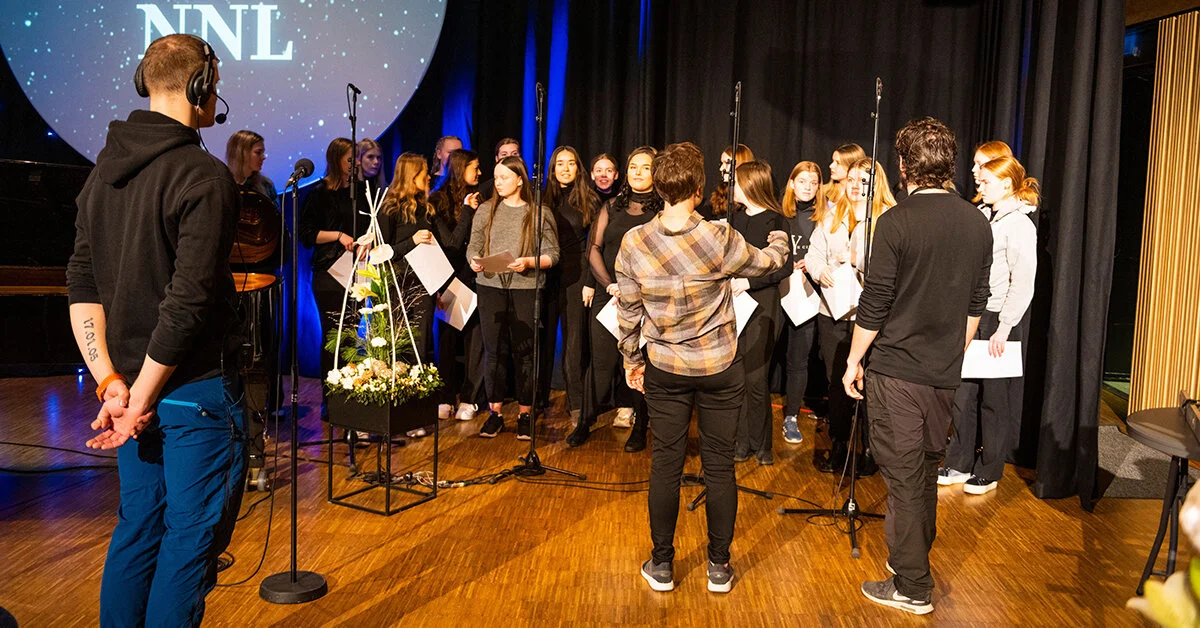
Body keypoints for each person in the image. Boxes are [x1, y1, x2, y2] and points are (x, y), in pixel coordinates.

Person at [66, 33, 244, 625]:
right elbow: (186, 305)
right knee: (190, 542)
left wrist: (112, 384)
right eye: (214, 85)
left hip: (130, 396)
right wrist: (137, 398)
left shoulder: (101, 174)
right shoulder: (206, 177)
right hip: (193, 392)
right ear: (201, 85)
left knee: (139, 527)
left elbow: (82, 284)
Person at [615, 142, 788, 594]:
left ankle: (662, 564)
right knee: (719, 466)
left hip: (665, 368)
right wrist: (779, 238)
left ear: (658, 187)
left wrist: (632, 360)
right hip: (719, 368)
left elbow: (628, 314)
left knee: (666, 465)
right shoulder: (719, 237)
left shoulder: (634, 242)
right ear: (698, 188)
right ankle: (718, 566)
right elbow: (769, 263)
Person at [844, 117, 992, 615]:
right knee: (923, 472)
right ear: (950, 165)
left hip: (898, 372)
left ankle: (912, 585)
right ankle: (910, 563)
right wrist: (954, 351)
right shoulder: (977, 222)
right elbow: (977, 301)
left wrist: (853, 359)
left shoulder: (895, 222)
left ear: (904, 166)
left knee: (907, 479)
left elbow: (875, 304)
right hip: (942, 373)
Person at [941, 155, 1038, 494]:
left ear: (1007, 184)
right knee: (963, 393)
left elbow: (1022, 280)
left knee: (994, 399)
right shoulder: (983, 215)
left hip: (999, 318)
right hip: (973, 313)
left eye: (986, 181)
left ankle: (990, 469)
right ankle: (959, 461)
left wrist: (1005, 327)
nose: (979, 185)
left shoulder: (1020, 224)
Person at [804, 156, 895, 475]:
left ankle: (871, 449)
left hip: (872, 316)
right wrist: (820, 270)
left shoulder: (888, 218)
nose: (856, 186)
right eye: (852, 179)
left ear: (876, 185)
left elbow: (896, 266)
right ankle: (839, 444)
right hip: (834, 312)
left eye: (864, 181)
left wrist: (857, 259)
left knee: (871, 383)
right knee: (836, 381)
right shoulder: (832, 215)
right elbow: (813, 254)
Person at [566, 146, 659, 452]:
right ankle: (585, 422)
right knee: (601, 363)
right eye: (633, 167)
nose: (638, 172)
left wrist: (635, 289)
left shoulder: (662, 210)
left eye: (645, 167)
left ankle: (640, 427)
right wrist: (609, 285)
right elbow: (594, 248)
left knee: (639, 365)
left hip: (646, 300)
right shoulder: (611, 206)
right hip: (611, 296)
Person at [467, 156, 559, 439]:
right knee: (494, 350)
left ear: (520, 180)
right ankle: (494, 413)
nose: (498, 182)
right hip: (490, 286)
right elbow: (474, 246)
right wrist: (474, 261)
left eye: (504, 177)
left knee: (525, 352)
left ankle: (525, 413)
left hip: (525, 287)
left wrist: (529, 262)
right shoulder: (486, 210)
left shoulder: (539, 212)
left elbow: (553, 254)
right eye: (496, 177)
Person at [298, 137, 371, 417]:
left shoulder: (362, 190)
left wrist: (367, 242)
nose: (355, 164)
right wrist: (339, 236)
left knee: (352, 334)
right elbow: (306, 234)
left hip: (358, 269)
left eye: (356, 159)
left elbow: (372, 226)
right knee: (334, 336)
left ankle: (350, 394)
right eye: (350, 159)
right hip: (329, 271)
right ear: (336, 159)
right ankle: (331, 398)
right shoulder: (319, 193)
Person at [728, 160, 792, 466]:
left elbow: (784, 267)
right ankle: (741, 442)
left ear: (751, 184)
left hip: (762, 304)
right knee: (738, 376)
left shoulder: (777, 220)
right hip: (733, 304)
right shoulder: (734, 219)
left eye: (737, 181)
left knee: (756, 376)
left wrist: (749, 282)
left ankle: (762, 444)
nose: (732, 186)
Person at [541, 146, 600, 421]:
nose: (565, 169)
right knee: (542, 341)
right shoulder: (542, 199)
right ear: (552, 169)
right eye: (560, 164)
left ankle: (576, 404)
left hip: (576, 278)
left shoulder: (589, 200)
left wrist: (590, 281)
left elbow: (595, 246)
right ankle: (537, 400)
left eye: (571, 163)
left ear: (578, 168)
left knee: (574, 345)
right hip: (544, 278)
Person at [429, 148, 485, 422]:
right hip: (448, 279)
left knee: (476, 341)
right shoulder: (437, 200)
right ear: (461, 169)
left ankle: (470, 398)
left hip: (475, 277)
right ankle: (445, 396)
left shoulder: (480, 198)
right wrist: (465, 210)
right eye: (475, 167)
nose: (480, 173)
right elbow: (451, 243)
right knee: (447, 343)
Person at [779, 161, 825, 446]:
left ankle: (791, 416)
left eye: (813, 182)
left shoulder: (824, 217)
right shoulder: (779, 214)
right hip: (777, 290)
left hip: (807, 294)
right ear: (792, 183)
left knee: (799, 358)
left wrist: (813, 263)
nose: (807, 187)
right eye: (802, 181)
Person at [699, 144, 754, 221]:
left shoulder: (752, 198)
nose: (721, 168)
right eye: (721, 163)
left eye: (727, 163)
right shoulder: (719, 195)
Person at [225, 129, 277, 200]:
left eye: (263, 152)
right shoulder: (223, 185)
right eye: (258, 152)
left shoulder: (266, 185)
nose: (263, 157)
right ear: (241, 153)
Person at [824, 143, 867, 207]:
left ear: (851, 165)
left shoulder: (861, 195)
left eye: (838, 163)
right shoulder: (823, 192)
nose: (831, 166)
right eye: (833, 161)